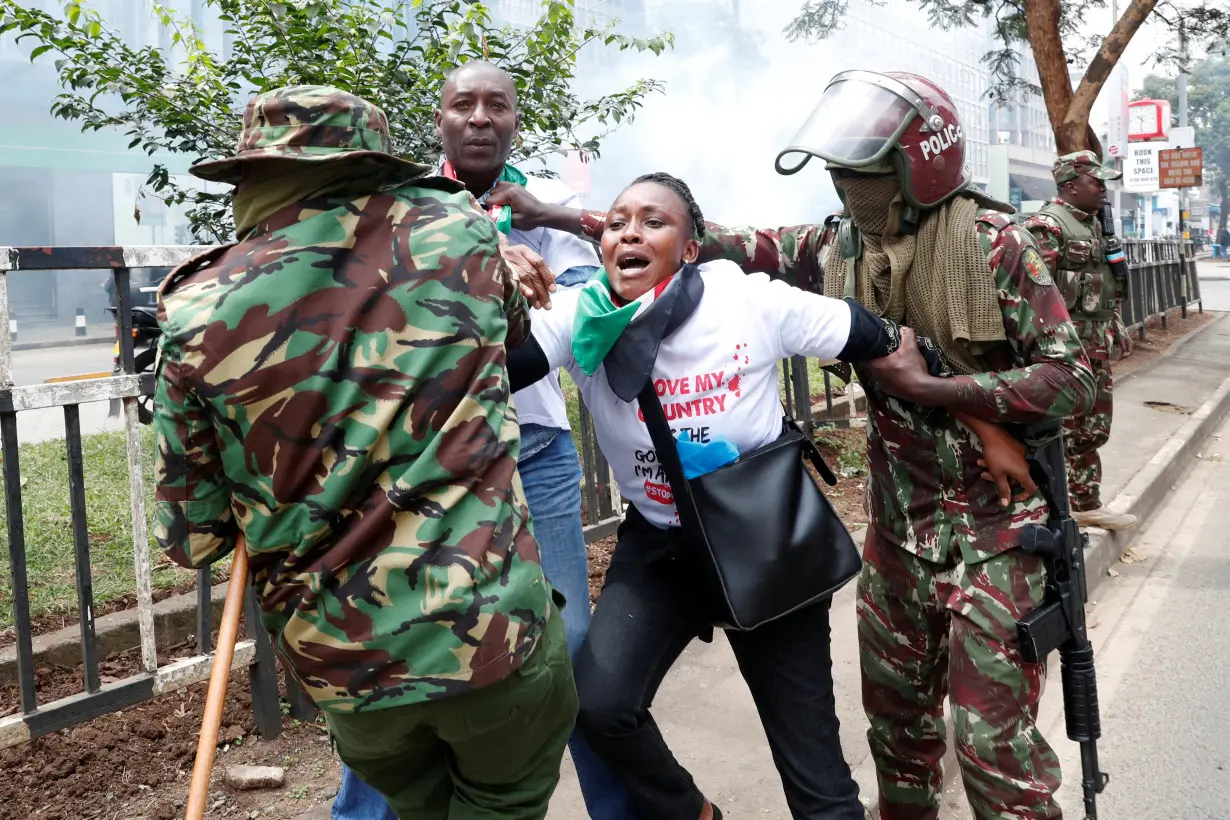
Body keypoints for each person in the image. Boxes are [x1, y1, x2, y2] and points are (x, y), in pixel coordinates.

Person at [493, 72, 1098, 820]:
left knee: (987, 754)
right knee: (899, 743)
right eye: (841, 174)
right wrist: (516, 236)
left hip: (969, 529)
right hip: (886, 531)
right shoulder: (833, 246)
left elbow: (1060, 377)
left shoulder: (990, 244)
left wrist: (971, 410)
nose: (849, 188)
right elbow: (697, 240)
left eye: (865, 173)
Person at [153, 85, 576, 820]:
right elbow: (513, 339)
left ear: (254, 176)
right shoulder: (463, 238)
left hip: (347, 674)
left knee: (418, 805)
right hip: (493, 641)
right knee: (501, 800)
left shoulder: (194, 312)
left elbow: (193, 539)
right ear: (374, 165)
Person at [330, 59, 639, 820]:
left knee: (567, 640)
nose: (478, 117)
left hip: (531, 448)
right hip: (421, 460)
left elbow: (611, 291)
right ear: (438, 120)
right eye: (461, 104)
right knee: (399, 646)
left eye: (494, 105)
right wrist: (477, 265)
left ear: (513, 120)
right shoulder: (398, 209)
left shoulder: (557, 209)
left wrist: (551, 224)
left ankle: (619, 810)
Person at [1023, 151, 1137, 531]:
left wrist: (1115, 325)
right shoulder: (1048, 226)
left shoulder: (1092, 225)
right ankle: (1064, 506)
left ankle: (1084, 502)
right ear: (1070, 187)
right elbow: (1037, 295)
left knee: (1092, 427)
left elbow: (1106, 284)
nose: (1103, 188)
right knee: (1066, 427)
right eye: (1096, 181)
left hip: (1096, 343)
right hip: (1068, 350)